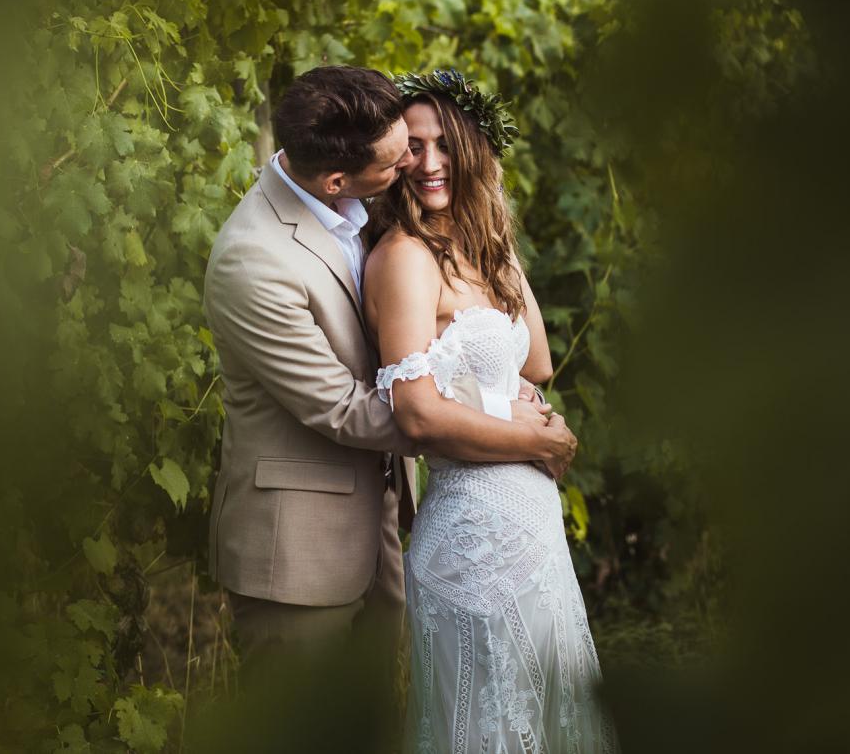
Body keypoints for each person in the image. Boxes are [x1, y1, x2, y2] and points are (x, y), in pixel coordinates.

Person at [203, 65, 578, 677]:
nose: (412, 161)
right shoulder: (254, 261)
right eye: (399, 154)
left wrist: (486, 225)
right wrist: (509, 427)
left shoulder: (359, 209)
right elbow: (342, 407)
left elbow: (524, 357)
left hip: (380, 526)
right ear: (337, 179)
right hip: (297, 548)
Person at [364, 69, 618, 753]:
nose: (430, 163)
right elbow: (416, 417)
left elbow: (533, 360)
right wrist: (536, 443)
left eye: (447, 144)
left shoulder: (475, 250)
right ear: (391, 158)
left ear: (474, 150)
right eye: (413, 147)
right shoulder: (406, 259)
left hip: (528, 530)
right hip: (472, 538)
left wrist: (492, 223)